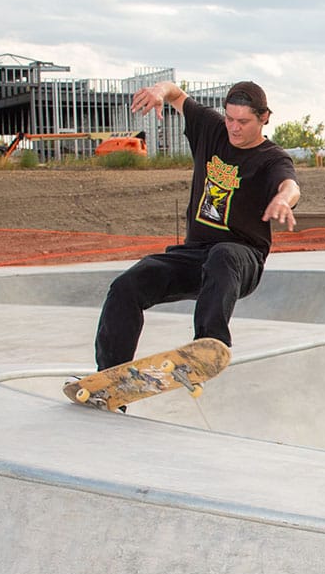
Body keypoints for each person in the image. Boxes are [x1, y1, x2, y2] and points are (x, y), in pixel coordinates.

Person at [91, 79, 300, 370]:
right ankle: (110, 377)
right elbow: (176, 93)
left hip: (241, 260)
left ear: (264, 118)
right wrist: (158, 92)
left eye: (243, 121)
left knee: (223, 254)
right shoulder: (211, 127)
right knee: (127, 286)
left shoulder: (271, 158)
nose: (234, 128)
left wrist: (283, 199)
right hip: (195, 255)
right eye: (229, 119)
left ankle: (208, 346)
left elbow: (290, 184)